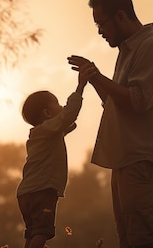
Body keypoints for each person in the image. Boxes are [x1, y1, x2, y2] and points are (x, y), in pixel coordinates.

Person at [68, 0, 153, 248]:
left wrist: (98, 76)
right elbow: (117, 104)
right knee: (129, 241)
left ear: (120, 16)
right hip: (126, 160)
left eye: (101, 23)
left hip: (142, 160)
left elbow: (138, 101)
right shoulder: (129, 51)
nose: (100, 32)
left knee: (144, 241)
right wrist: (93, 79)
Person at [16, 66, 93, 248]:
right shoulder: (48, 129)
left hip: (26, 193)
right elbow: (69, 116)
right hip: (42, 190)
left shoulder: (41, 133)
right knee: (43, 232)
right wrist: (80, 87)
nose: (61, 107)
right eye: (57, 104)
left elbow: (69, 122)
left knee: (33, 233)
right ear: (47, 114)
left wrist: (66, 113)